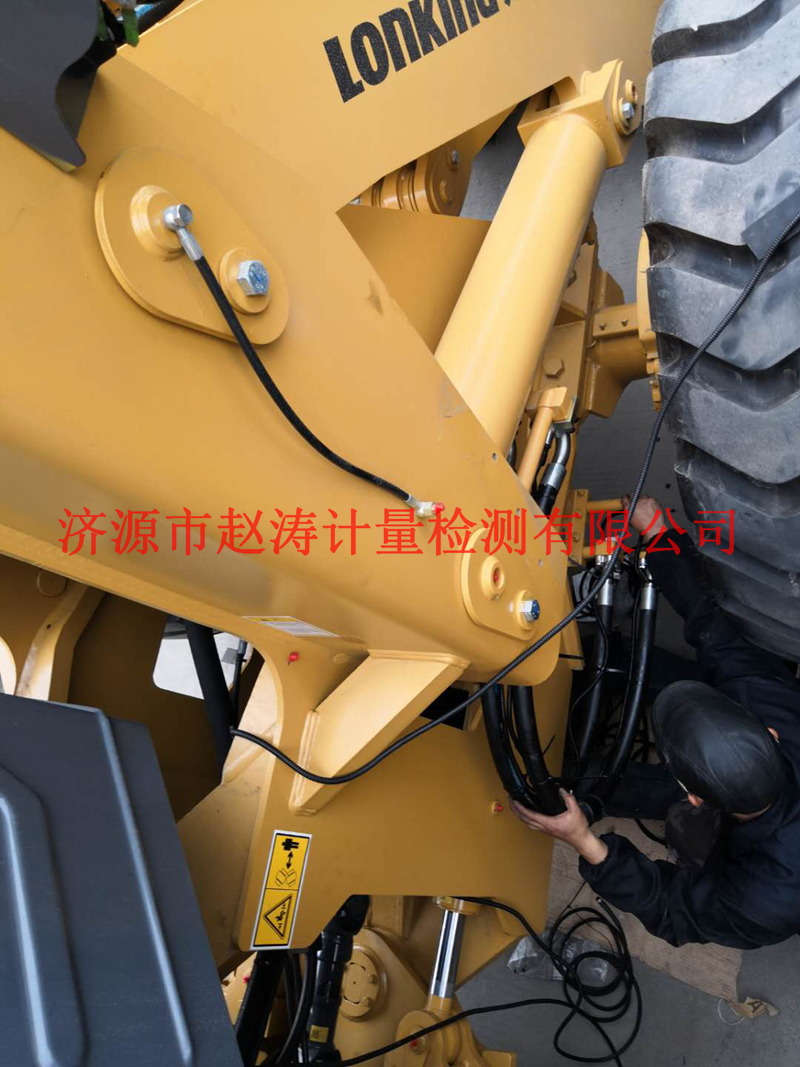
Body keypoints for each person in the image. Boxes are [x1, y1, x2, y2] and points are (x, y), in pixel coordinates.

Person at [512, 495, 800, 950]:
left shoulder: (765, 901)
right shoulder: (775, 703)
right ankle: (601, 671)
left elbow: (670, 908)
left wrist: (584, 840)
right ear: (768, 733)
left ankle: (577, 777)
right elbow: (713, 630)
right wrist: (659, 533)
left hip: (754, 862)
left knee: (576, 783)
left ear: (695, 797)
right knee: (625, 663)